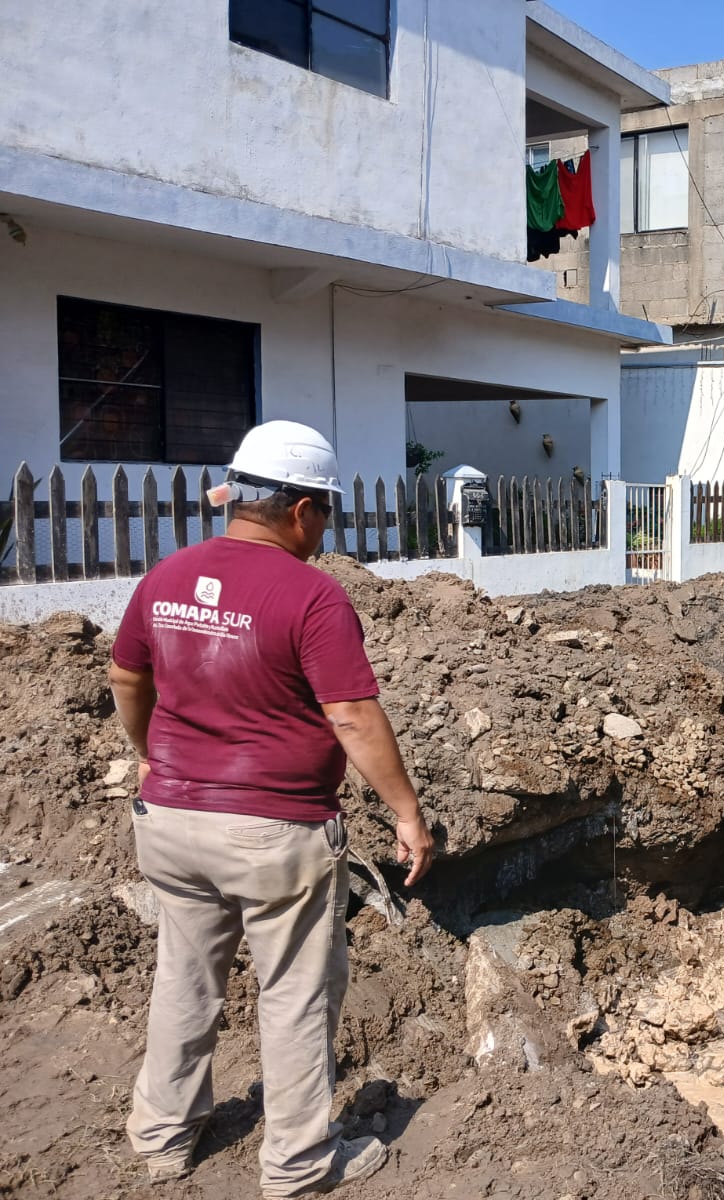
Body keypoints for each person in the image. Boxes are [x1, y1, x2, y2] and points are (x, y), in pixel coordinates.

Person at [107, 420, 434, 1196]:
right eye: (323, 512)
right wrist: (407, 813)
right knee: (294, 994)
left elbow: (126, 679)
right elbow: (352, 714)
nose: (324, 530)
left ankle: (161, 1140)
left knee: (185, 978)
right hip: (274, 831)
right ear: (299, 509)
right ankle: (296, 1167)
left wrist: (151, 752)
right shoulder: (310, 595)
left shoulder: (166, 578)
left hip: (172, 822)